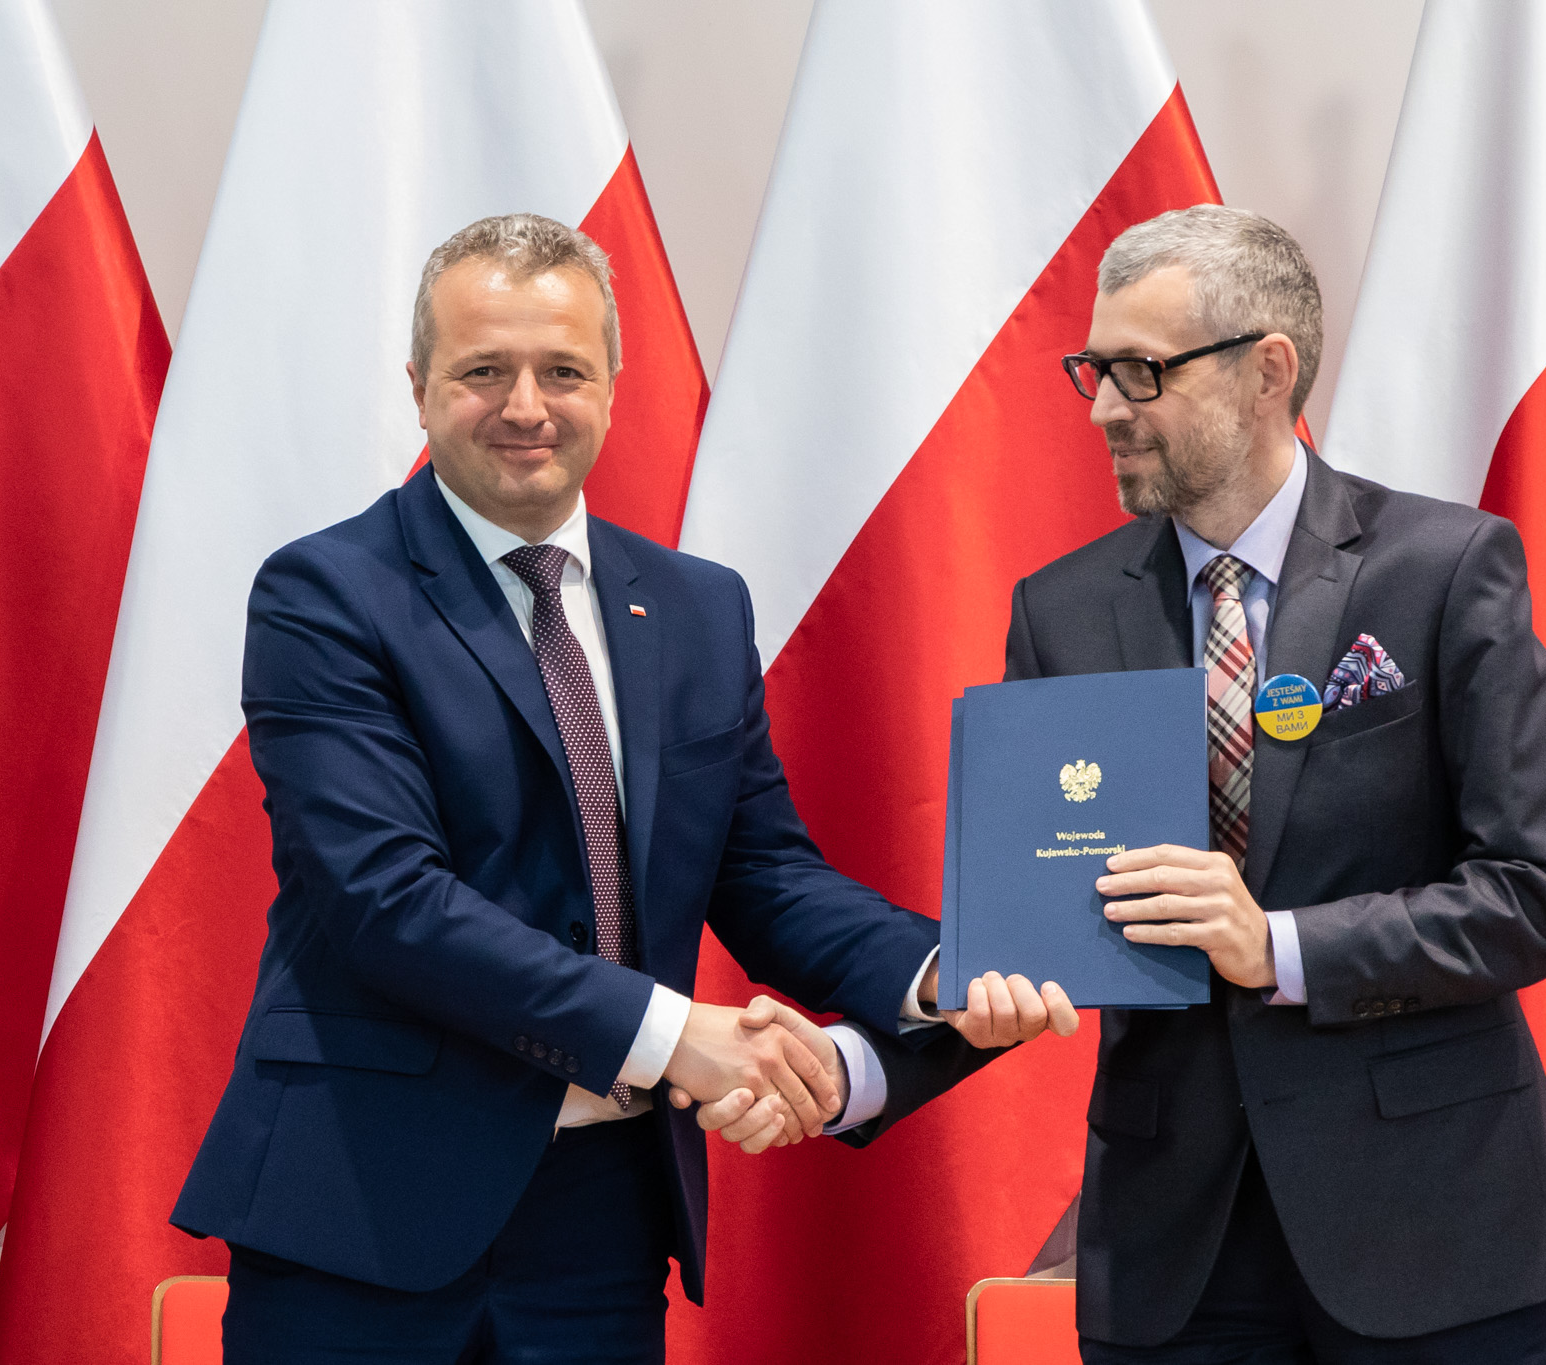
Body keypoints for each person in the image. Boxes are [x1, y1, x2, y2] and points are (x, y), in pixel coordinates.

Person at [707, 205, 1546, 1363]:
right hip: (1172, 1261)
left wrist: (1277, 945)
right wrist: (857, 1066)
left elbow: (1545, 890)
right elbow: (1042, 934)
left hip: (1431, 1233)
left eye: (1139, 371)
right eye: (1092, 370)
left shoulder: (1441, 570)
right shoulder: (1062, 611)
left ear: (1266, 370)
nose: (1100, 409)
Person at [169, 213, 1069, 1365]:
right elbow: (385, 900)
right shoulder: (325, 594)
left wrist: (937, 971)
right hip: (365, 1206)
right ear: (418, 387)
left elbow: (761, 873)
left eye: (562, 370)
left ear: (611, 384)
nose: (525, 406)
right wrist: (676, 1035)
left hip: (601, 1224)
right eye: (482, 371)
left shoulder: (697, 607)